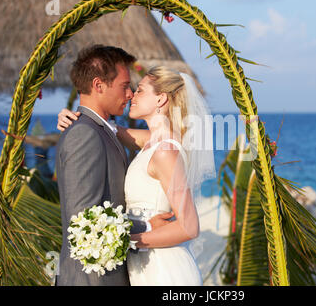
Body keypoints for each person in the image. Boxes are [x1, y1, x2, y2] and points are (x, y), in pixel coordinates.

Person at [57, 65, 215, 285]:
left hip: (164, 270)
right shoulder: (152, 140)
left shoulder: (165, 151)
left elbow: (189, 226)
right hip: (144, 266)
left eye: (140, 90)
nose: (131, 94)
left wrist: (124, 241)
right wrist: (75, 117)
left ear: (160, 99)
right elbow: (105, 127)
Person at [55, 45, 174, 286]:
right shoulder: (84, 135)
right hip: (92, 279)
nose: (130, 94)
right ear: (99, 85)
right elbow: (83, 222)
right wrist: (148, 226)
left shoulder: (101, 130)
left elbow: (161, 141)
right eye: (124, 86)